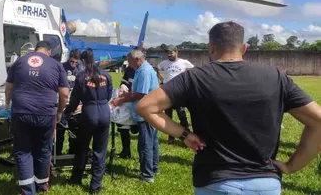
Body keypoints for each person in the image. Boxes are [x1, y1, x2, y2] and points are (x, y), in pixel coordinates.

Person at [136, 21, 321, 195]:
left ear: (211, 47)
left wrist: (184, 135)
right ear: (244, 48)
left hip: (215, 182)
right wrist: (291, 166)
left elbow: (146, 106)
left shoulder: (194, 78)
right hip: (264, 183)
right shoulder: (277, 78)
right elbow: (318, 121)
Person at [5, 40, 70, 195]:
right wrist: (60, 112)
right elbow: (64, 93)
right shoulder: (56, 65)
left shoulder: (20, 61)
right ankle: (41, 185)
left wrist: (7, 105)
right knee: (43, 149)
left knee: (23, 150)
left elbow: (9, 87)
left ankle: (28, 191)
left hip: (21, 111)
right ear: (48, 52)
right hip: (46, 113)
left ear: (35, 50)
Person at [65, 48, 113, 193]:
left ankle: (76, 178)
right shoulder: (106, 75)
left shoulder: (81, 76)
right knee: (100, 151)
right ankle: (95, 186)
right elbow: (109, 94)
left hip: (89, 113)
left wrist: (65, 113)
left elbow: (74, 101)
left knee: (82, 148)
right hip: (104, 112)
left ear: (84, 61)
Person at [112, 48, 160, 183]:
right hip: (149, 111)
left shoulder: (144, 71)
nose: (128, 63)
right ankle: (154, 168)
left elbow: (141, 94)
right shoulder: (141, 69)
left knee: (145, 144)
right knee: (152, 141)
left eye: (130, 60)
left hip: (146, 112)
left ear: (138, 60)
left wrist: (121, 100)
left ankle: (147, 174)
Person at [156, 45, 193, 144]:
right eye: (168, 53)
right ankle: (171, 137)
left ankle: (186, 137)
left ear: (177, 52)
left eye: (171, 52)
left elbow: (193, 71)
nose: (169, 54)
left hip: (179, 93)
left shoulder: (184, 62)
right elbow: (156, 70)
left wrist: (186, 82)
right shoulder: (164, 63)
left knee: (182, 116)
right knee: (168, 117)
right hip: (167, 92)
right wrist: (162, 80)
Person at [56, 48, 81, 155]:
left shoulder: (80, 70)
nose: (74, 64)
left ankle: (73, 151)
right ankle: (57, 152)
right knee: (60, 129)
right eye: (72, 61)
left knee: (74, 129)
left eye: (76, 62)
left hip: (74, 103)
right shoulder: (61, 67)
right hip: (62, 101)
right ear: (69, 58)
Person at [116, 62, 136, 159]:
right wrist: (123, 86)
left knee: (141, 130)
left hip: (140, 103)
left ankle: (145, 156)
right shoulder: (129, 69)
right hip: (128, 102)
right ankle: (126, 151)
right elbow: (124, 82)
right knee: (123, 127)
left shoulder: (146, 70)